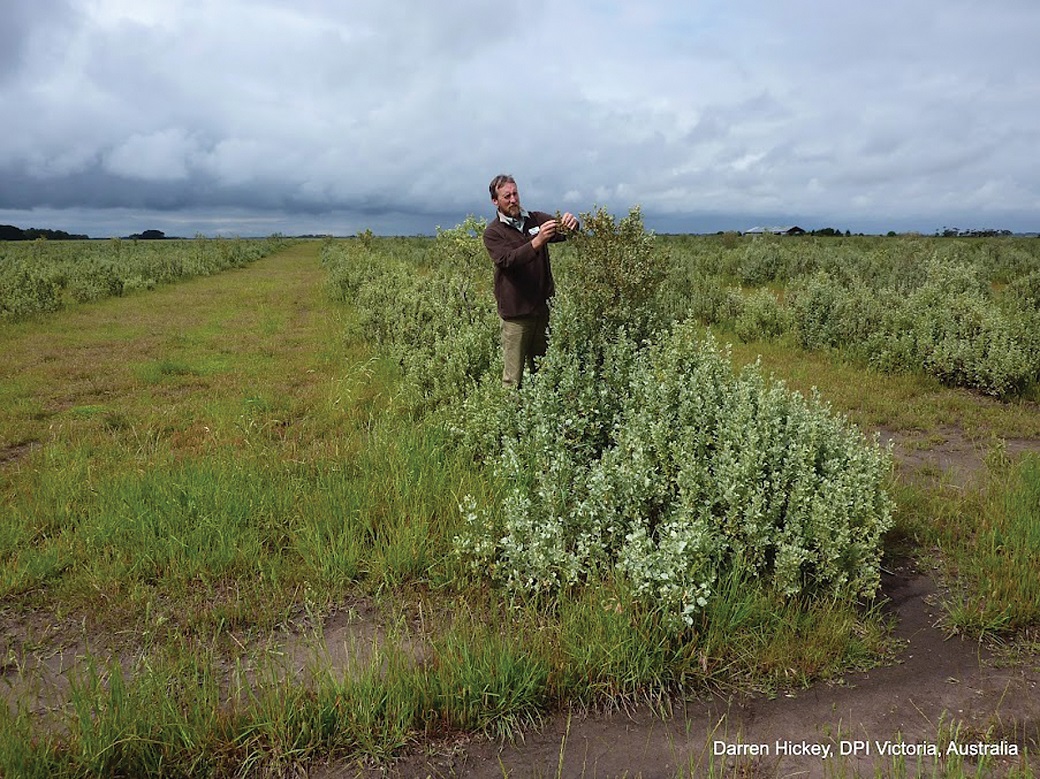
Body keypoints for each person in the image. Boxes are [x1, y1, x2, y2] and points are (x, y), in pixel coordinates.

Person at [482, 174, 579, 388]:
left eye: (515, 193)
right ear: (495, 201)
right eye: (507, 196)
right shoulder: (493, 233)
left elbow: (563, 232)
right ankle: (509, 418)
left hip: (542, 311)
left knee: (543, 370)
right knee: (512, 378)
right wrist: (537, 241)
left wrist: (572, 225)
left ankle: (540, 416)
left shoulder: (536, 219)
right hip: (516, 315)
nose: (513, 199)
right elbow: (508, 260)